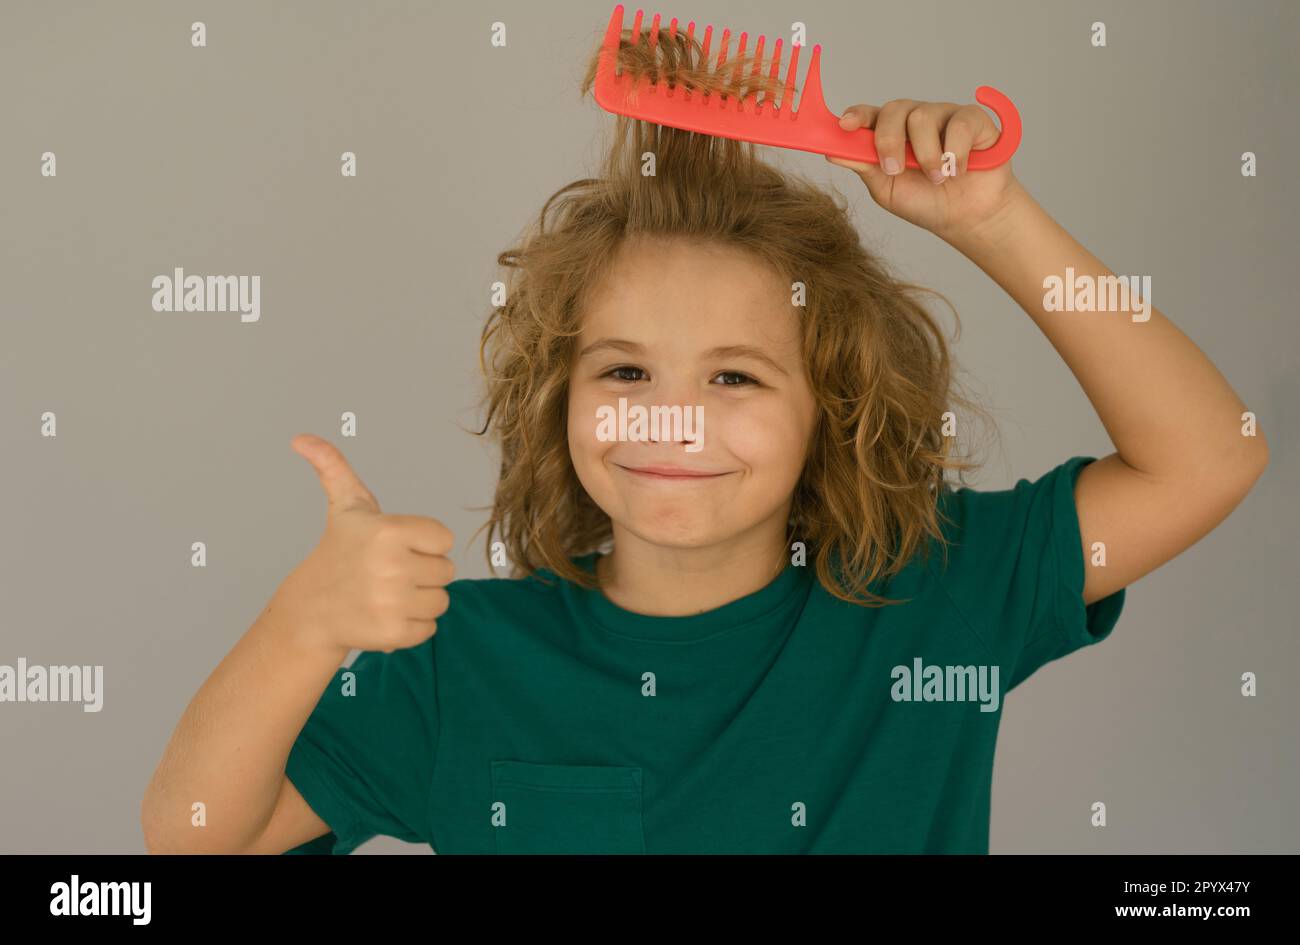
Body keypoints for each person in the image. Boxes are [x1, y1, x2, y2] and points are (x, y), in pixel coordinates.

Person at [140, 24, 1268, 855]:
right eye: (624, 369)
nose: (671, 416)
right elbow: (193, 847)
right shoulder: (456, 663)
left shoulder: (935, 596)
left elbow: (1210, 456)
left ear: (830, 410)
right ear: (559, 401)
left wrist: (993, 220)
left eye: (734, 376)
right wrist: (299, 629)